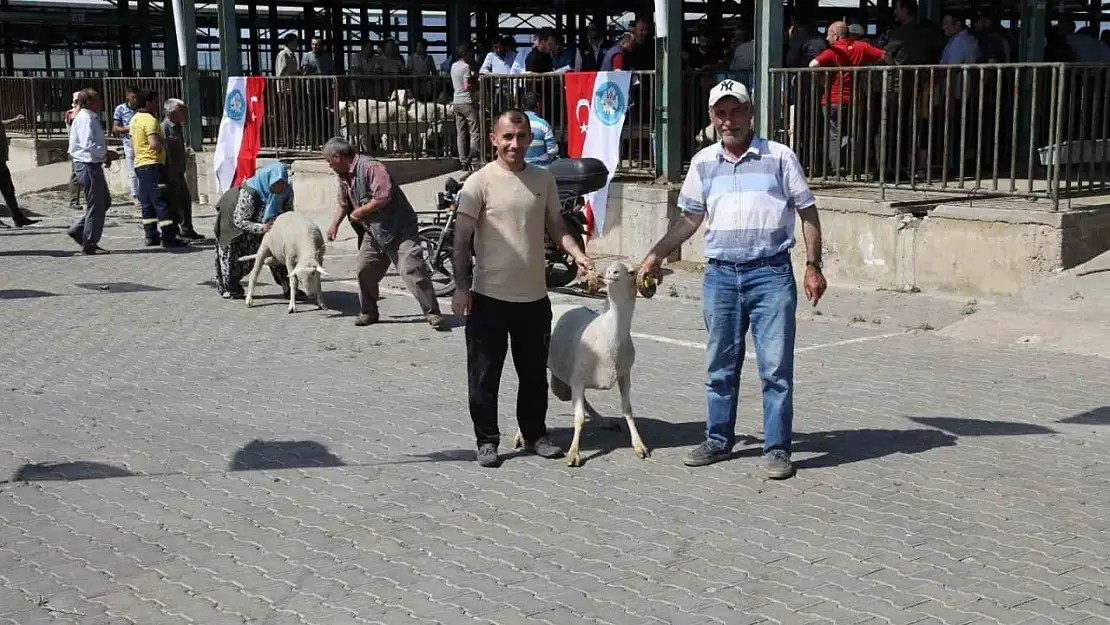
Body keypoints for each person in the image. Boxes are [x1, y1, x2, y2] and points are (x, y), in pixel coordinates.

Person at [636, 80, 826, 480]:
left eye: (735, 110)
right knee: (720, 365)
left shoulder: (779, 157)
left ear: (750, 112)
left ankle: (777, 448)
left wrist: (813, 265)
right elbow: (688, 218)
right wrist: (655, 254)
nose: (728, 120)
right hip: (720, 276)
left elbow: (807, 212)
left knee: (775, 369)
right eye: (720, 113)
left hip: (770, 274)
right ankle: (719, 440)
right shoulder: (703, 163)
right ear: (711, 118)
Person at [451, 109, 594, 468]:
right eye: (508, 137)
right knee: (484, 376)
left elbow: (556, 225)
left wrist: (579, 254)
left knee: (533, 375)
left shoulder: (543, 179)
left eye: (522, 136)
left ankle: (535, 434)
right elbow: (461, 238)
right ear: (494, 139)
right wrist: (461, 287)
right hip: (488, 299)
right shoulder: (479, 182)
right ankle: (487, 440)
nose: (515, 144)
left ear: (531, 139)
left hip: (534, 299)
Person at [322, 136, 444, 329]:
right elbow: (344, 203)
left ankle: (432, 313)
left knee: (411, 269)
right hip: (375, 232)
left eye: (329, 161)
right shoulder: (343, 175)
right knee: (364, 271)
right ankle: (369, 312)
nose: (329, 165)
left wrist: (361, 211)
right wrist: (334, 225)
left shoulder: (371, 167)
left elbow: (383, 196)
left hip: (400, 228)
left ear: (337, 156)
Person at [212, 162, 294, 299]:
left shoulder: (286, 190)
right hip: (235, 223)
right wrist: (262, 227)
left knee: (278, 251)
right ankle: (231, 287)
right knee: (233, 255)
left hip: (264, 223)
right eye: (276, 183)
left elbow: (288, 211)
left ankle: (289, 286)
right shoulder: (250, 192)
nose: (279, 187)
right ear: (268, 179)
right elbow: (240, 220)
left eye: (282, 183)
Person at [129, 89, 185, 248]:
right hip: (153, 165)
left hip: (140, 164)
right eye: (154, 101)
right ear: (147, 102)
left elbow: (133, 146)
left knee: (147, 203)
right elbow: (154, 144)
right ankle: (169, 236)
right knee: (162, 202)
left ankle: (151, 235)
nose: (157, 105)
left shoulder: (134, 119)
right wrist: (165, 143)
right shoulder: (150, 120)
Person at [67, 88, 120, 255]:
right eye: (97, 100)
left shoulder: (90, 117)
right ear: (89, 102)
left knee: (103, 201)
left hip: (92, 163)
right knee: (96, 204)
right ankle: (89, 242)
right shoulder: (85, 118)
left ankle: (80, 230)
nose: (100, 103)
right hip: (87, 164)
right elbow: (88, 144)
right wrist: (105, 154)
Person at [161, 98, 204, 240]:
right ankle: (175, 232)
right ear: (173, 112)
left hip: (179, 171)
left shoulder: (178, 127)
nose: (185, 114)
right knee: (173, 203)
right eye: (182, 111)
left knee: (185, 200)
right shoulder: (164, 128)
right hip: (170, 172)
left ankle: (187, 229)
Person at [0, 112, 40, 228]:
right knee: (8, 191)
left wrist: (15, 120)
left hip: (1, 163)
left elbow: (1, 125)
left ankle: (18, 218)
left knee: (9, 191)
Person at [450, 44, 481, 171]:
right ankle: (475, 160)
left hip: (456, 101)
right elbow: (466, 86)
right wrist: (476, 83)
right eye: (470, 53)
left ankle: (463, 161)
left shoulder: (453, 66)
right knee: (474, 133)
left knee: (460, 134)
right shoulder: (466, 67)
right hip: (466, 101)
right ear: (465, 53)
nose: (472, 55)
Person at [110, 85, 140, 210]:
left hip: (141, 142)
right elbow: (115, 128)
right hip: (128, 142)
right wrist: (127, 128)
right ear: (127, 96)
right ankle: (135, 195)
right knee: (132, 170)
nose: (134, 100)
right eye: (132, 97)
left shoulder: (141, 109)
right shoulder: (120, 109)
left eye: (136, 97)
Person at [521, 92, 558, 168]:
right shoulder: (543, 124)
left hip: (520, 168)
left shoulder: (516, 123)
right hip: (541, 169)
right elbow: (552, 151)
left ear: (523, 106)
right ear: (538, 105)